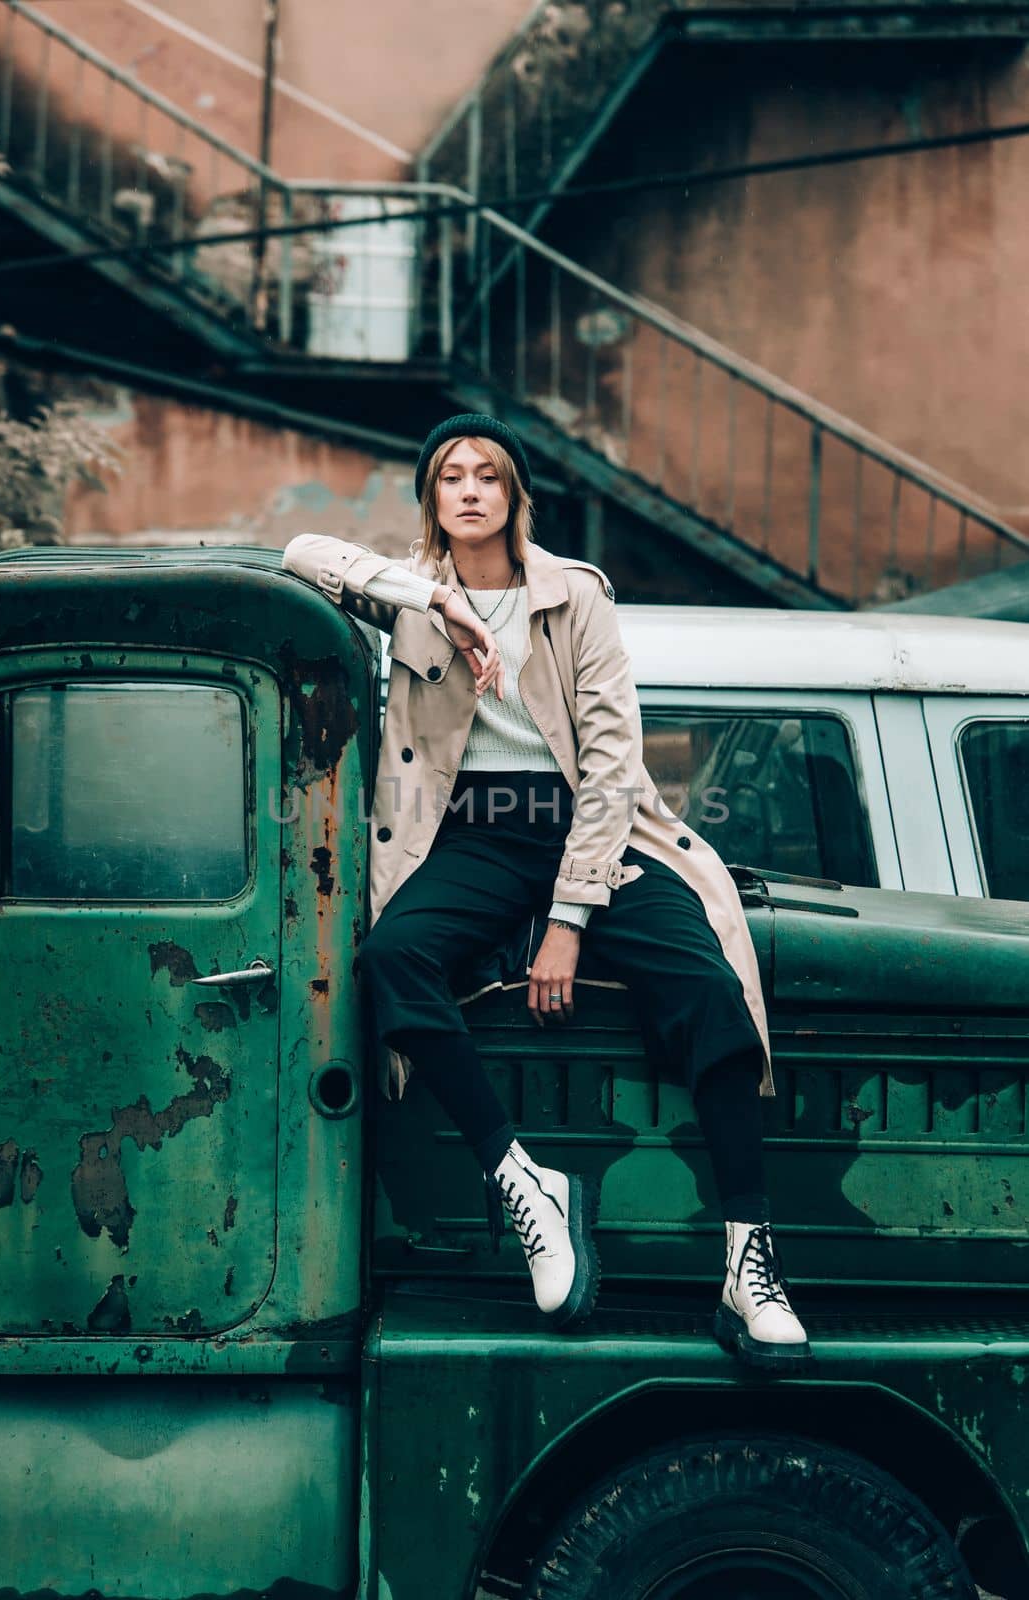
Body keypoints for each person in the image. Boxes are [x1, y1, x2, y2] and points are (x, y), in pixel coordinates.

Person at [282, 413, 811, 1368]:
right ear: (433, 499)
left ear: (517, 494)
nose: (471, 489)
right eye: (452, 476)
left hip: (589, 828)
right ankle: (522, 1180)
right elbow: (300, 548)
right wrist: (433, 602)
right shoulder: (410, 599)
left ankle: (746, 1256)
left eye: (490, 474)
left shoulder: (576, 597)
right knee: (392, 960)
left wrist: (569, 920)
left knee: (708, 988)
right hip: (473, 835)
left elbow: (613, 764)